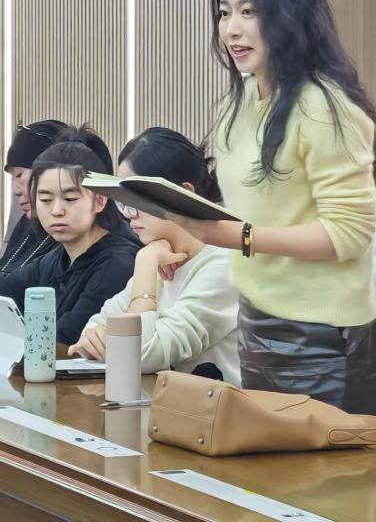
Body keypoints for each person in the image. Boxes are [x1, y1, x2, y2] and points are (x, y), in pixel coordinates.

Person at [158, 0, 376, 415]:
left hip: (321, 337)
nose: (231, 29)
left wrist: (241, 237)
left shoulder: (324, 107)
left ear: (288, 18)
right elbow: (256, 208)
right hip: (256, 320)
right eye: (224, 13)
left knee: (318, 466)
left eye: (250, 12)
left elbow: (350, 232)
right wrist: (189, 236)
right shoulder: (239, 102)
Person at [69, 127, 240, 385]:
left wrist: (145, 264)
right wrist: (97, 339)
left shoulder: (223, 265)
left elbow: (140, 356)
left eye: (138, 200)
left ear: (184, 193)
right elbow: (94, 330)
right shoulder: (160, 254)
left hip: (213, 410)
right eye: (123, 201)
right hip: (159, 405)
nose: (130, 214)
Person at [0, 131, 140, 345]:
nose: (56, 210)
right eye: (45, 200)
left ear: (100, 201)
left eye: (70, 198)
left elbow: (65, 338)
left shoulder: (117, 264)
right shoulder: (56, 259)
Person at [1, 121, 68, 272]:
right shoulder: (26, 224)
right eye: (13, 178)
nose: (15, 190)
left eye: (19, 175)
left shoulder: (70, 238)